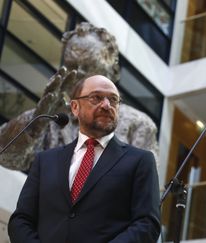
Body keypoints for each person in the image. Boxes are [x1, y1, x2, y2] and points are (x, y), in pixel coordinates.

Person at [8, 75, 161, 243]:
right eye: (96, 98)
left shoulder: (140, 161)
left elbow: (147, 224)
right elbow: (20, 220)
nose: (106, 105)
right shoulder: (45, 161)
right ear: (75, 107)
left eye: (113, 100)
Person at [0, 22, 159, 171]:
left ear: (113, 70)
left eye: (89, 66)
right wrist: (36, 121)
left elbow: (144, 188)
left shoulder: (138, 124)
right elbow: (6, 157)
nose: (78, 74)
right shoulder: (51, 120)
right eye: (72, 66)